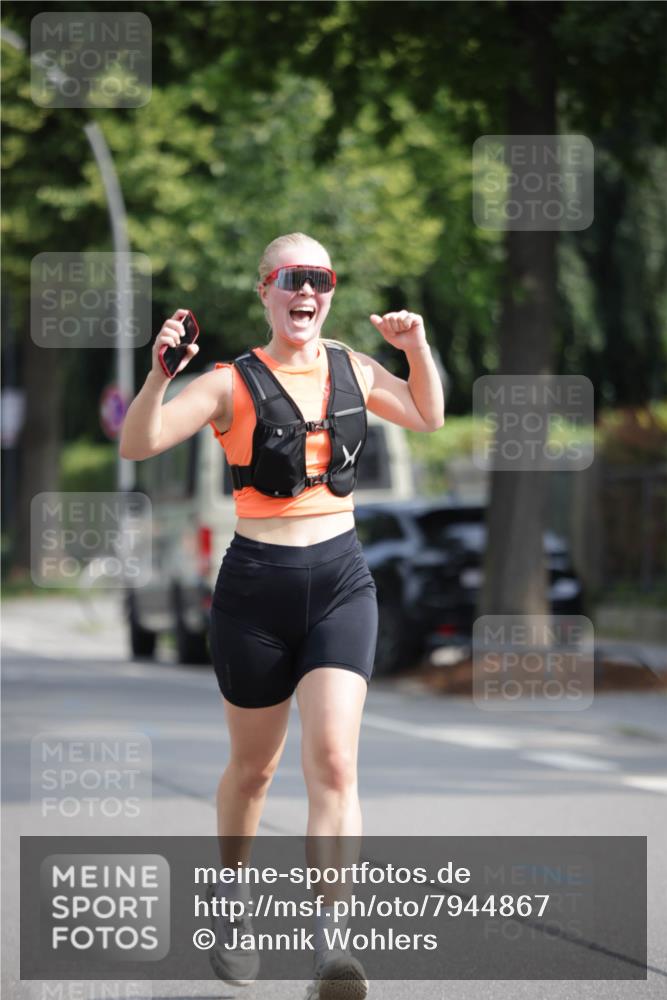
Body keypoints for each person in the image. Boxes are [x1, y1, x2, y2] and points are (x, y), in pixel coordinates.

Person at [119, 232, 445, 1000]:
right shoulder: (230, 383)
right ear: (265, 289)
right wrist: (157, 378)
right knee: (256, 768)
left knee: (333, 763)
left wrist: (416, 347)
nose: (307, 292)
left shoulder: (355, 370)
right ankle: (230, 896)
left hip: (339, 580)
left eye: (320, 279)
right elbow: (139, 441)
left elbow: (427, 416)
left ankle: (332, 948)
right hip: (254, 589)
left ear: (329, 292)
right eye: (291, 279)